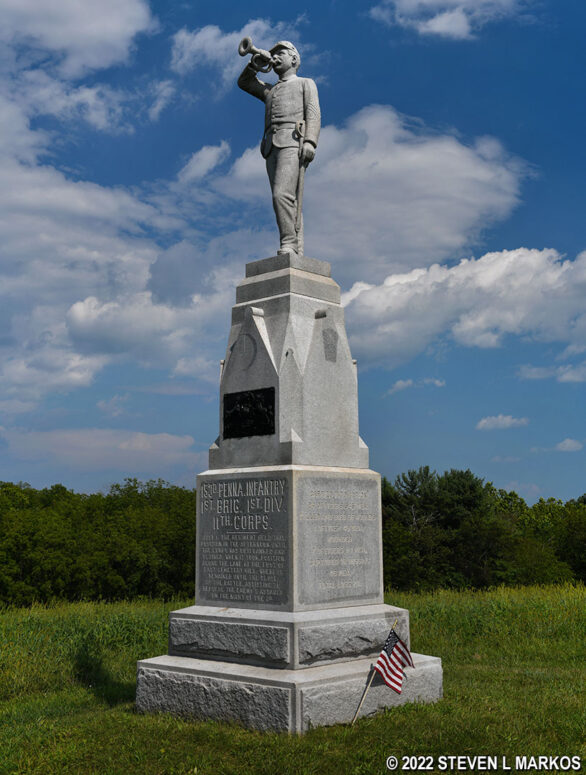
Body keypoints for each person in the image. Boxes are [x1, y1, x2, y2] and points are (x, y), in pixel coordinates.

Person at [238, 41, 320, 257]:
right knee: (287, 198)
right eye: (273, 55)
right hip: (271, 145)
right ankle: (293, 244)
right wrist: (256, 64)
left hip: (293, 141)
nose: (275, 58)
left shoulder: (305, 83)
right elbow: (245, 83)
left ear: (294, 59)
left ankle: (289, 243)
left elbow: (313, 112)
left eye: (280, 53)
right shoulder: (270, 90)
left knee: (281, 194)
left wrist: (311, 142)